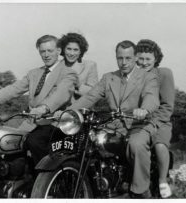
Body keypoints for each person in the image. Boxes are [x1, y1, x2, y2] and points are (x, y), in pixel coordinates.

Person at [68, 40, 159, 198]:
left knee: (136, 144)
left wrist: (144, 109)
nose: (123, 63)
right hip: (113, 125)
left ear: (135, 57)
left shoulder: (148, 77)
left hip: (139, 124)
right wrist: (67, 113)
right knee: (85, 140)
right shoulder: (108, 78)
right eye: (120, 58)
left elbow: (151, 97)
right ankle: (98, 182)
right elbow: (90, 97)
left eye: (128, 58)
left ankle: (141, 191)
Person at [0, 35, 78, 165]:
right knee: (9, 144)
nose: (46, 55)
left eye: (50, 51)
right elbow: (14, 89)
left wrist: (44, 108)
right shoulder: (34, 73)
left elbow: (61, 94)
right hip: (31, 124)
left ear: (58, 51)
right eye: (42, 51)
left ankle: (44, 180)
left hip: (53, 124)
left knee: (34, 142)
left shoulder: (68, 73)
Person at [136, 39, 175, 198]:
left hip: (160, 121)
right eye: (141, 59)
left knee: (159, 145)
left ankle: (162, 180)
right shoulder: (134, 76)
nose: (144, 63)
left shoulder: (164, 73)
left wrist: (153, 122)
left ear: (156, 59)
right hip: (138, 121)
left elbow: (167, 106)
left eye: (148, 59)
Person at [58, 32, 98, 101]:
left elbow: (94, 93)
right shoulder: (56, 66)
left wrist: (78, 84)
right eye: (69, 49)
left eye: (75, 50)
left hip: (80, 109)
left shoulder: (90, 66)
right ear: (63, 49)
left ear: (80, 51)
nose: (72, 53)